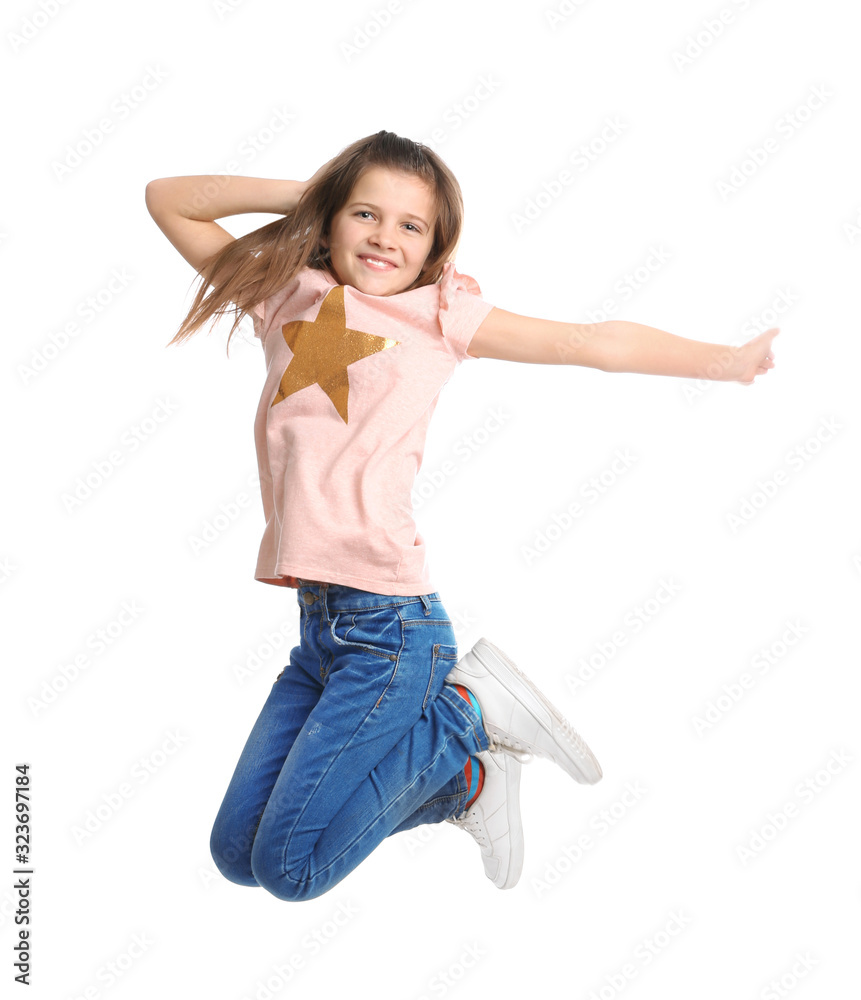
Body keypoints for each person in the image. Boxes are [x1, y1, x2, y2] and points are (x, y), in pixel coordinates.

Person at [145, 130, 778, 901]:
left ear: (435, 245)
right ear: (332, 216)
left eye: (410, 225)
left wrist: (727, 360)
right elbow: (168, 199)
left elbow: (590, 343)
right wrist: (308, 191)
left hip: (389, 630)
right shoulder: (283, 290)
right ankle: (462, 785)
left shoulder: (439, 314)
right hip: (320, 631)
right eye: (363, 214)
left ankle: (464, 716)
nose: (383, 237)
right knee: (236, 855)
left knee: (292, 870)